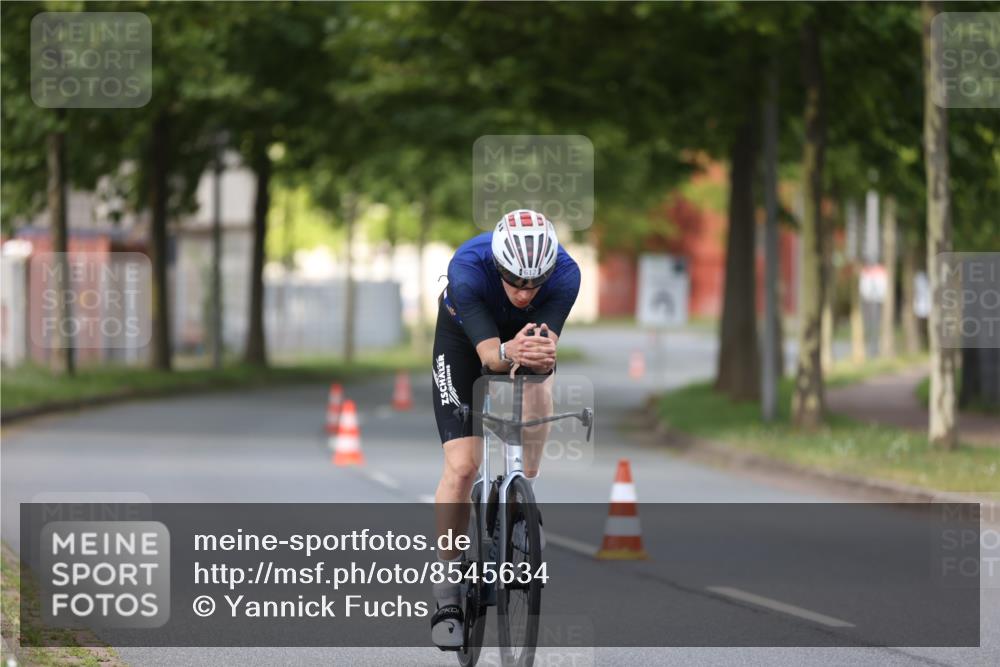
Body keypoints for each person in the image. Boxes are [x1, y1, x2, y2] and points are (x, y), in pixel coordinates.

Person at [429, 209, 580, 648]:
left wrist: (531, 355)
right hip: (464, 339)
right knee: (462, 467)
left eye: (534, 283)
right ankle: (447, 591)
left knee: (537, 387)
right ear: (498, 267)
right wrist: (505, 351)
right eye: (514, 280)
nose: (523, 291)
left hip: (524, 338)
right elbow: (492, 359)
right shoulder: (467, 269)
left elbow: (541, 349)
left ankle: (522, 500)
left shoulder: (567, 274)